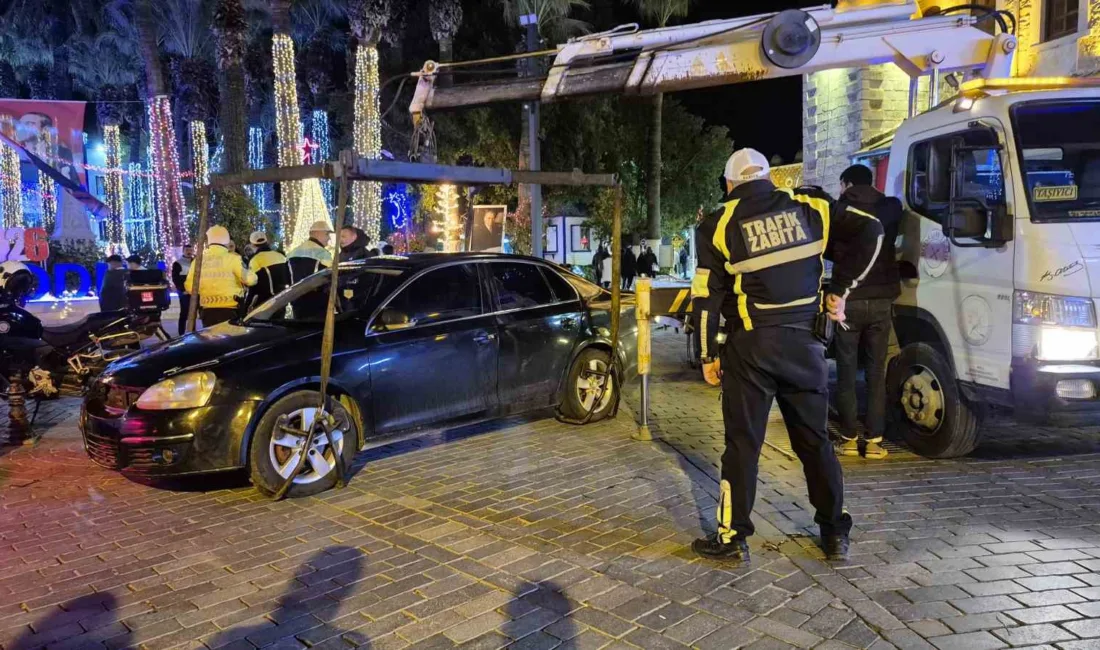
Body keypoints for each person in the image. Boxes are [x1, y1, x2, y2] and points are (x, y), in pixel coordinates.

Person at [691, 148, 883, 563]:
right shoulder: (811, 205)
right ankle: (833, 533)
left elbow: (706, 296)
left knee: (743, 445)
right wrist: (839, 289)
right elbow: (872, 232)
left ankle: (732, 537)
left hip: (751, 349)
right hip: (806, 346)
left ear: (729, 185)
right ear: (770, 178)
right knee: (814, 442)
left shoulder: (718, 224)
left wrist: (707, 354)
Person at [830, 165, 902, 460]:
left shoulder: (841, 209)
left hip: (846, 299)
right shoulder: (890, 206)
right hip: (882, 298)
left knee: (846, 370)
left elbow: (829, 250)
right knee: (876, 371)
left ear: (846, 184)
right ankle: (874, 441)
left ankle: (848, 438)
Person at [185, 225, 257, 327]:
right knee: (229, 341)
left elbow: (190, 287)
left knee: (211, 341)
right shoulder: (233, 258)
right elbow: (250, 280)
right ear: (226, 240)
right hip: (230, 310)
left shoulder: (198, 261)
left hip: (207, 310)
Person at [246, 231, 290, 310]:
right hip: (283, 300)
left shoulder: (255, 260)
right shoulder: (280, 255)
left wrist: (245, 307)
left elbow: (252, 286)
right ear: (267, 242)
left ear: (252, 245)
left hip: (265, 304)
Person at [171, 245, 194, 335]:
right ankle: (181, 333)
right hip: (184, 292)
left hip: (195, 291)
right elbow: (175, 278)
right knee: (184, 312)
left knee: (194, 313)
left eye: (190, 250)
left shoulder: (195, 261)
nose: (189, 252)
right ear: (183, 251)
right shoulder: (178, 263)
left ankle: (193, 331)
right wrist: (182, 289)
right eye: (187, 250)